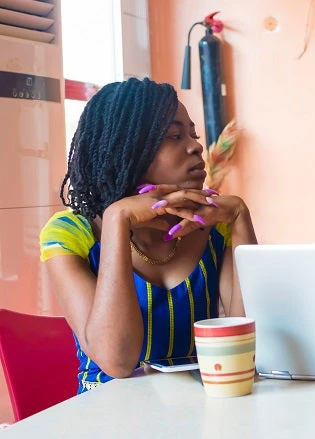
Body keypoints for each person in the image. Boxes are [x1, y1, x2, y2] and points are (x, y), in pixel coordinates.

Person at [39, 78, 258, 393]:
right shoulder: (71, 233)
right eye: (173, 135)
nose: (196, 145)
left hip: (197, 409)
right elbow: (116, 362)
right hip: (106, 416)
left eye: (193, 134)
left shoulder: (217, 227)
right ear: (125, 149)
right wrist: (117, 219)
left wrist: (240, 217)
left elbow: (245, 352)